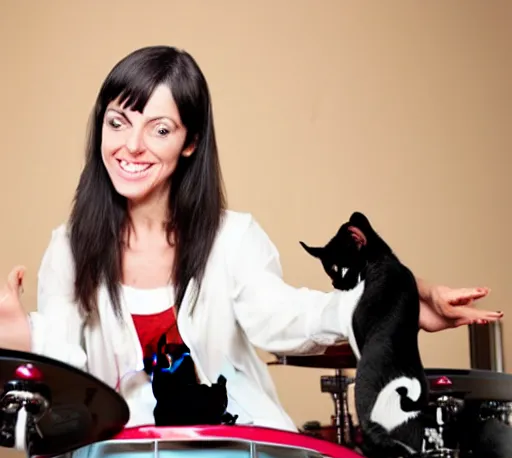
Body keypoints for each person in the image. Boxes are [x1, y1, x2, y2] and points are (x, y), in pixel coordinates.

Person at [0, 46, 503, 432]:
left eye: (158, 129)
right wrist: (23, 339)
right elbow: (68, 375)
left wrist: (392, 305)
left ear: (190, 142)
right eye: (118, 122)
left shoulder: (232, 239)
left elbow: (288, 317)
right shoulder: (69, 249)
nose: (131, 146)